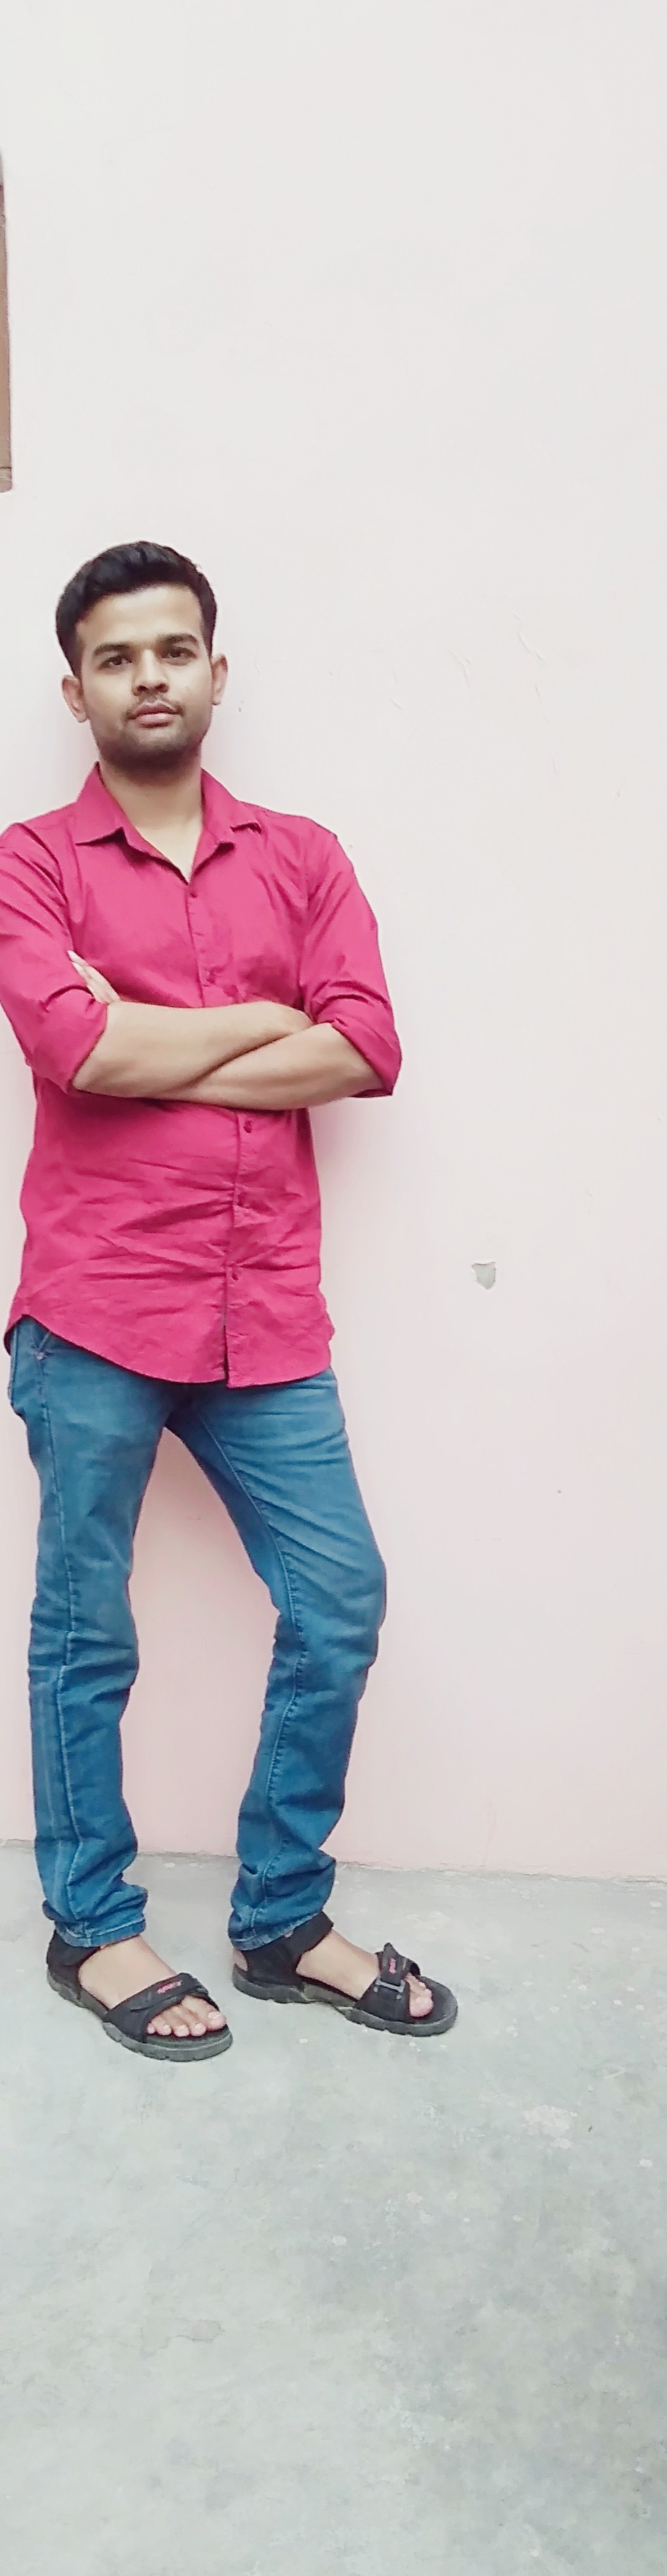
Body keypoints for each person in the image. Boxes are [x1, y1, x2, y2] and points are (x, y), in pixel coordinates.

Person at [0, 540, 457, 2062]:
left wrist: (158, 1035)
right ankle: (93, 1925)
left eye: (173, 649)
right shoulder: (31, 862)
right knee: (85, 1634)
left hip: (264, 1313)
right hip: (95, 1311)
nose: (150, 677)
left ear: (214, 668)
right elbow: (75, 1052)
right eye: (117, 657)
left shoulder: (304, 857)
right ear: (76, 690)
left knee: (339, 1601)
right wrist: (266, 1019)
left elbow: (367, 1046)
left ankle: (280, 1917)